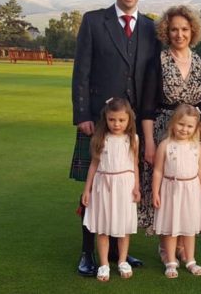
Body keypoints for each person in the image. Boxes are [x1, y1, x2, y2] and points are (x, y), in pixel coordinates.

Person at [69, 0, 160, 276]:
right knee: (93, 191)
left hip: (133, 125)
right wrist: (82, 115)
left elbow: (156, 71)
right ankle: (87, 253)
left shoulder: (150, 27)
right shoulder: (95, 21)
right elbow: (81, 71)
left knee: (125, 191)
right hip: (98, 120)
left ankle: (122, 254)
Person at [139, 5, 201, 262]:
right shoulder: (156, 62)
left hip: (193, 138)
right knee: (168, 191)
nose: (179, 34)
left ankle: (184, 245)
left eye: (184, 29)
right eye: (173, 30)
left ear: (193, 31)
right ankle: (167, 247)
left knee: (190, 189)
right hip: (164, 135)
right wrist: (148, 143)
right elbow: (146, 109)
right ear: (166, 33)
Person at [81, 98, 141, 281]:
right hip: (103, 186)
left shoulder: (133, 139)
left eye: (121, 120)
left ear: (129, 119)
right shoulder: (100, 139)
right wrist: (87, 189)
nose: (116, 124)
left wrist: (137, 187)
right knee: (103, 227)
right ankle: (104, 264)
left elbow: (135, 164)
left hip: (125, 186)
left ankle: (122, 260)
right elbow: (93, 165)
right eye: (112, 120)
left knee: (123, 226)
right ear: (105, 119)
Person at [152, 104, 201, 278]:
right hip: (171, 190)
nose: (184, 129)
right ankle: (171, 261)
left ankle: (190, 260)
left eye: (189, 126)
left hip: (191, 191)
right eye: (181, 124)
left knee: (189, 227)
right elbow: (157, 171)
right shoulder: (165, 145)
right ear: (173, 123)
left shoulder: (196, 147)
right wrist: (155, 192)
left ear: (195, 128)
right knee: (172, 227)